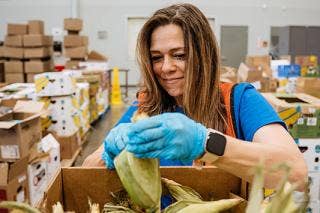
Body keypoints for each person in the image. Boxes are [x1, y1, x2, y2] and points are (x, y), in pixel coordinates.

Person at [83, 3, 307, 190]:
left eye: (179, 55)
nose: (166, 67)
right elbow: (85, 172)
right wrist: (109, 154)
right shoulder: (145, 106)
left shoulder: (239, 101)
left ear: (204, 54)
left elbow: (296, 173)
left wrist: (205, 143)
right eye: (156, 57)